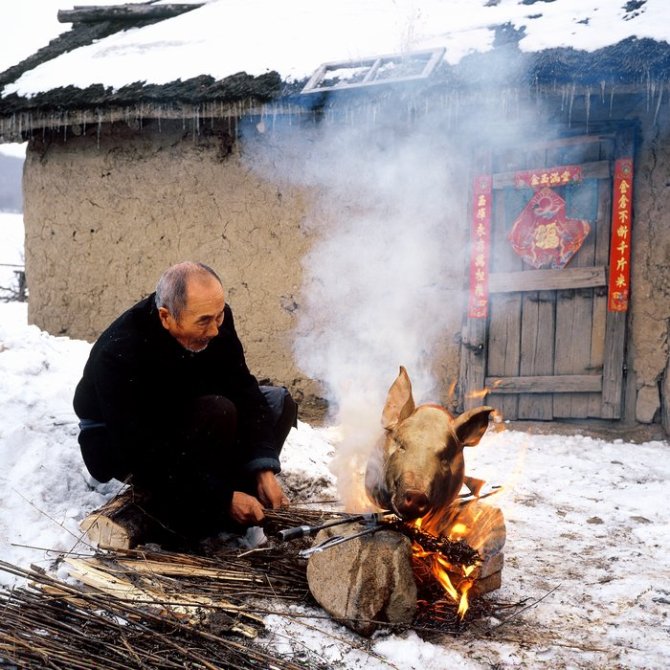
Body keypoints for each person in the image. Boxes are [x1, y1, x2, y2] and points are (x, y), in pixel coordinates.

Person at [73, 261, 297, 540]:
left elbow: (243, 388)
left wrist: (263, 466)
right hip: (119, 439)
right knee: (219, 411)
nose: (215, 330)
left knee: (278, 402)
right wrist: (221, 496)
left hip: (183, 409)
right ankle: (189, 521)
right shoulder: (121, 351)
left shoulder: (214, 319)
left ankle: (239, 492)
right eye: (204, 320)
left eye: (218, 317)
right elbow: (143, 452)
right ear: (166, 317)